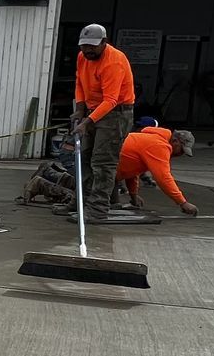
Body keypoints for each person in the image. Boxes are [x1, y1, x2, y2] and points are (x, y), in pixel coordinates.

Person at [66, 23, 136, 221]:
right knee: (84, 157)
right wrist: (80, 108)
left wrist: (86, 122)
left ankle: (97, 208)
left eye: (92, 46)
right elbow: (79, 82)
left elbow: (111, 100)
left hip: (116, 114)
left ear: (104, 43)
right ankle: (80, 202)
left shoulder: (113, 62)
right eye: (84, 46)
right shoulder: (83, 57)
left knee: (102, 161)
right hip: (92, 110)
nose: (87, 50)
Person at [118, 127, 198, 216]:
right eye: (181, 150)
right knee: (104, 203)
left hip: (108, 169)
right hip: (105, 170)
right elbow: (163, 178)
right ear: (175, 141)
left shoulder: (152, 139)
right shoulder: (159, 145)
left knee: (110, 200)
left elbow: (132, 170)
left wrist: (133, 195)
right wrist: (182, 202)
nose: (180, 154)